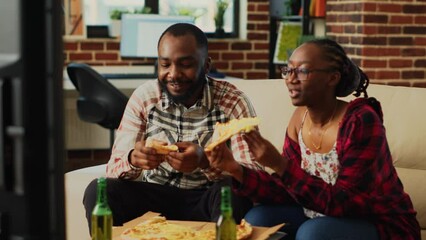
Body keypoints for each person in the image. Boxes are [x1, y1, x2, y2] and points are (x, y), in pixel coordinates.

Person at [206, 38, 421, 240]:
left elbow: (344, 204)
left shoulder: (360, 122)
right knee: (257, 219)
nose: (290, 78)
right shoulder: (299, 119)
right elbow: (286, 191)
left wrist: (279, 164)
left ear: (332, 78)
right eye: (288, 70)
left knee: (313, 233)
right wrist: (235, 168)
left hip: (379, 223)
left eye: (303, 71)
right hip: (319, 214)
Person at [83, 23, 263, 230]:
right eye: (165, 64)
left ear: (206, 66)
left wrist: (205, 162)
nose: (173, 74)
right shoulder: (144, 97)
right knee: (99, 191)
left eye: (185, 64)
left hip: (207, 198)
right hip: (155, 197)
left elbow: (253, 177)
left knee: (233, 191)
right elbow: (113, 168)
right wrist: (134, 159)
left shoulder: (233, 102)